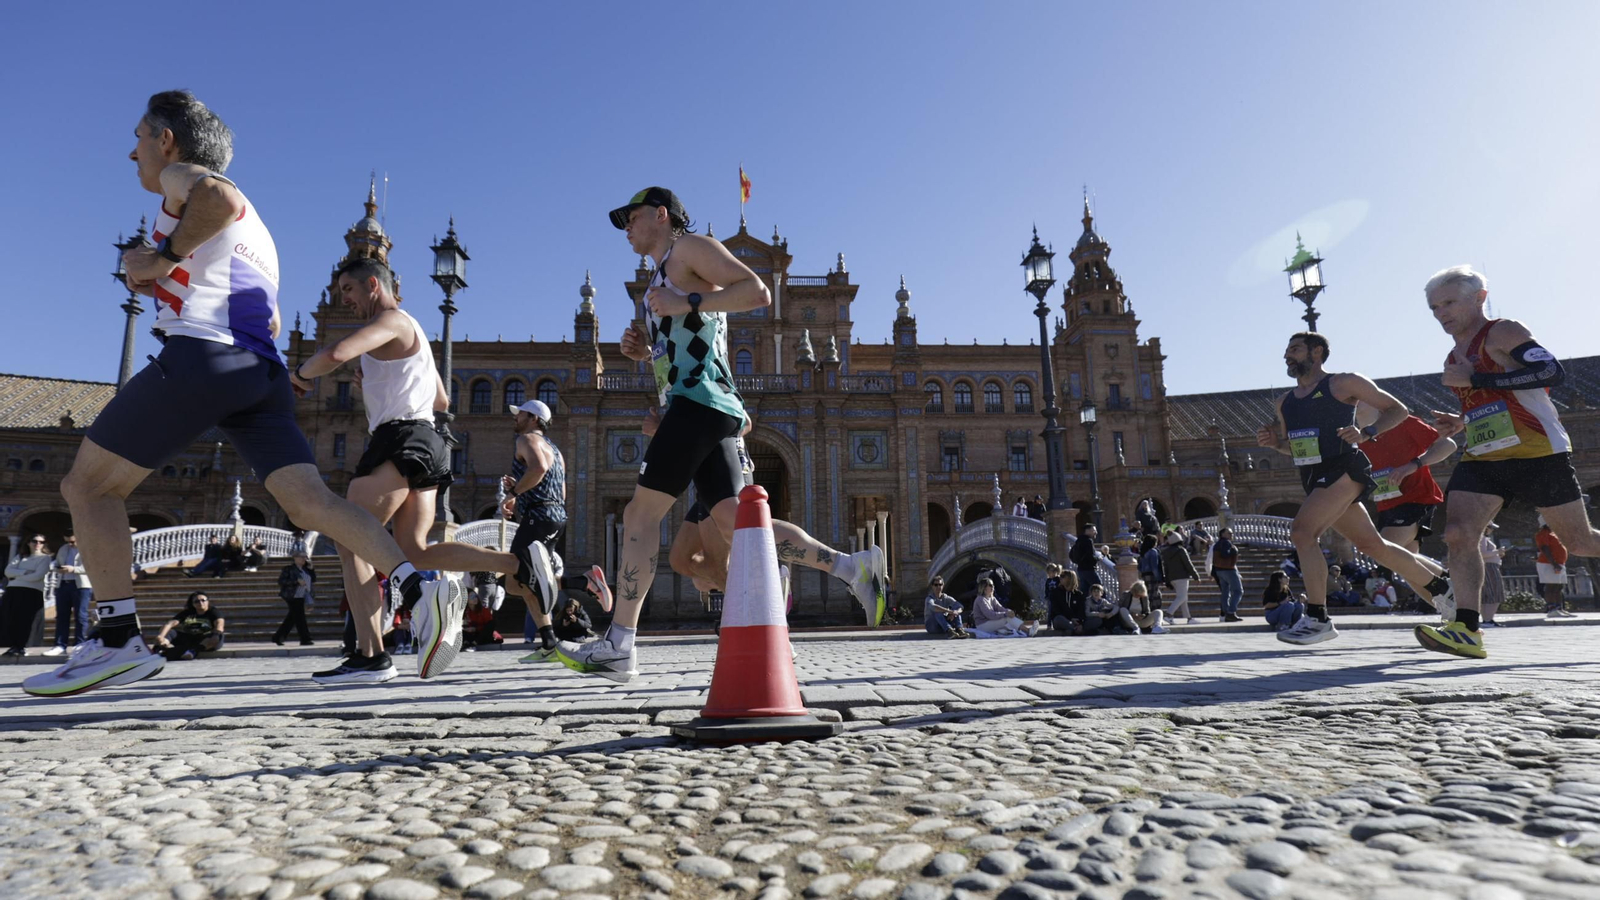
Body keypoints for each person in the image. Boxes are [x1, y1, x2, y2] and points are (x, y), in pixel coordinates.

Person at [27, 91, 446, 698]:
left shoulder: (189, 179)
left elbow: (216, 201)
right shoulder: (261, 237)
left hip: (205, 357)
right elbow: (269, 319)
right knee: (311, 504)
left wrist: (160, 259)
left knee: (88, 487)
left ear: (168, 140)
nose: (133, 152)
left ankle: (117, 639)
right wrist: (166, 275)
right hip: (261, 374)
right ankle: (417, 585)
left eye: (140, 137)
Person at [556, 187, 887, 683]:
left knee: (639, 515)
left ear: (661, 215)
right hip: (700, 406)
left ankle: (619, 644)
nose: (626, 228)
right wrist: (645, 351)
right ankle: (852, 567)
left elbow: (757, 292)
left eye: (631, 217)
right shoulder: (660, 275)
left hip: (699, 402)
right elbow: (690, 340)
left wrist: (684, 300)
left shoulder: (688, 248)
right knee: (739, 525)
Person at [292, 256, 537, 684]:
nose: (344, 299)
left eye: (348, 290)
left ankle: (372, 654)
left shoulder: (389, 319)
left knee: (351, 539)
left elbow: (334, 352)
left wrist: (297, 374)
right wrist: (379, 381)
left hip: (398, 440)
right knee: (416, 550)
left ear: (373, 284)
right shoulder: (415, 330)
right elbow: (442, 400)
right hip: (429, 442)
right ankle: (518, 563)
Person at [1415, 266, 1600, 658]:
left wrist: (1477, 381)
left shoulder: (1502, 331)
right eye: (1434, 307)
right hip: (1484, 456)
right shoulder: (1454, 355)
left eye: (1449, 302)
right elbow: (1495, 403)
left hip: (1538, 452)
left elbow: (1550, 371)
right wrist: (1462, 421)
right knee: (1458, 533)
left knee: (1580, 542)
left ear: (1479, 298)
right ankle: (1466, 628)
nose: (1441, 313)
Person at [1256, 331, 1454, 647]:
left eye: (1294, 349)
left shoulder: (1344, 382)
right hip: (1314, 476)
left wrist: (1367, 432)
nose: (1286, 355)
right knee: (1373, 546)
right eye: (1286, 350)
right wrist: (1274, 443)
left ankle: (1318, 617)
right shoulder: (1284, 402)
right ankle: (1442, 588)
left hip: (1344, 468)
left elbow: (1397, 409)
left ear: (1316, 352)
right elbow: (1294, 448)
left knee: (1302, 533)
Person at [502, 399, 613, 665]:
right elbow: (560, 490)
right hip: (554, 516)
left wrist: (513, 493)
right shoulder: (554, 449)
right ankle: (549, 642)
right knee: (522, 583)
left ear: (534, 419)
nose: (515, 418)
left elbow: (538, 469)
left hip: (538, 518)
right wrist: (522, 490)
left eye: (520, 414)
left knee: (517, 580)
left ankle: (584, 583)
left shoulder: (526, 439)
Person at [1353, 401, 1457, 556]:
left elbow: (1448, 445)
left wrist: (1413, 465)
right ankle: (1439, 572)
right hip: (1386, 504)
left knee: (1382, 553)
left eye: (1358, 396)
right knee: (1407, 562)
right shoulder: (1352, 438)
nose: (1353, 400)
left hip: (1416, 498)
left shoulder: (1401, 421)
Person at [2, 536, 53, 657]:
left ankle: (22, 647)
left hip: (31, 592)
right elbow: (7, 571)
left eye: (41, 542)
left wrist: (16, 576)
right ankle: (12, 646)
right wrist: (25, 572)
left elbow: (38, 576)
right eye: (34, 541)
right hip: (13, 591)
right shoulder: (20, 557)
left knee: (26, 620)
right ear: (29, 543)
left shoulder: (45, 558)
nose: (37, 544)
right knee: (11, 619)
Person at [45, 532, 93, 657]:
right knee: (62, 616)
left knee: (81, 615)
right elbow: (57, 563)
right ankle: (60, 645)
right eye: (67, 541)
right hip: (63, 584)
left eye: (72, 542)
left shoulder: (88, 548)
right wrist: (57, 567)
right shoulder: (63, 548)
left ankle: (80, 644)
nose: (70, 544)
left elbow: (93, 566)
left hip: (81, 586)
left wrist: (74, 569)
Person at [153, 592, 224, 660]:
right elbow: (170, 623)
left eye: (203, 600)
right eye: (197, 601)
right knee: (169, 632)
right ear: (193, 604)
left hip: (206, 640)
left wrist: (216, 635)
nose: (200, 603)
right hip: (190, 638)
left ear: (208, 601)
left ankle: (193, 651)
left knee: (218, 635)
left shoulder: (213, 611)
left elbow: (219, 624)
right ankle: (160, 648)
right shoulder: (188, 612)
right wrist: (161, 636)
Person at [273, 552, 316, 647]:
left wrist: (312, 569)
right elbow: (281, 581)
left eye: (305, 557)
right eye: (302, 557)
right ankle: (305, 639)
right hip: (292, 595)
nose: (304, 559)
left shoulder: (306, 569)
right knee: (300, 618)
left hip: (303, 595)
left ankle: (278, 637)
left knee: (292, 618)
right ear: (295, 558)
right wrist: (296, 581)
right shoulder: (289, 569)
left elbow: (313, 579)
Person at [1158, 528, 1200, 624]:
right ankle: (1169, 614)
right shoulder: (1181, 550)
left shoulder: (1166, 552)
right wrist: (1196, 576)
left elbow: (1166, 567)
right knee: (1182, 597)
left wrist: (1167, 580)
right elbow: (1188, 564)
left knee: (1183, 598)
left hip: (1172, 578)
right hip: (1182, 577)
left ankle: (1189, 618)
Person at [1535, 518, 1575, 619]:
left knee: (1558, 586)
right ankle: (1552, 609)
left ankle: (1559, 608)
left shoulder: (1553, 533)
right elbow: (1545, 548)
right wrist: (1554, 563)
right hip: (1549, 564)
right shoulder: (1543, 533)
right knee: (1551, 586)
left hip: (1558, 563)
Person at [1212, 526, 1243, 623]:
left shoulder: (1217, 544)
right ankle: (1231, 612)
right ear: (1222, 534)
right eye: (1229, 533)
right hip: (1229, 570)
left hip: (1219, 570)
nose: (1231, 535)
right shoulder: (1226, 543)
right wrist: (1234, 550)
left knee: (1225, 592)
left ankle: (1226, 613)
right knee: (1238, 591)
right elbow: (1225, 554)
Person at [1480, 524, 1506, 626]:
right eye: (1491, 528)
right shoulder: (1482, 538)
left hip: (1488, 566)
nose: (1492, 530)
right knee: (1496, 593)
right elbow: (1482, 553)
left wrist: (1497, 554)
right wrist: (1497, 551)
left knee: (1487, 595)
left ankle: (1487, 619)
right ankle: (1488, 619)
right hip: (1489, 567)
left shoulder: (1482, 538)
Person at [1047, 567, 1085, 635]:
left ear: (1070, 579)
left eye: (1063, 576)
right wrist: (1070, 618)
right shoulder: (1055, 593)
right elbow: (1056, 610)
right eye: (1060, 576)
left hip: (1075, 620)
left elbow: (1081, 610)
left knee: (1094, 620)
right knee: (1059, 619)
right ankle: (1075, 628)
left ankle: (1073, 629)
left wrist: (1079, 620)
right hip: (1062, 619)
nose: (1060, 578)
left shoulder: (1078, 594)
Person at [1070, 525, 1102, 590]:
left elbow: (1071, 554)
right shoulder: (1088, 541)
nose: (1096, 532)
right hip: (1089, 569)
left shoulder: (1079, 540)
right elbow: (1090, 556)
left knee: (1085, 590)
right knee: (1098, 588)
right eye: (1094, 530)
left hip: (1081, 569)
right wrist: (1098, 558)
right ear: (1087, 531)